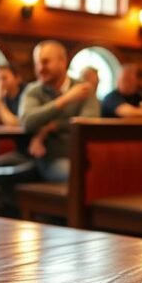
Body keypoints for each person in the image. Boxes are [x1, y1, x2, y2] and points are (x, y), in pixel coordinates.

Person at [18, 41, 98, 182]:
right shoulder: (33, 90)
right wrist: (65, 100)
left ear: (62, 61)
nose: (40, 68)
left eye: (45, 62)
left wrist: (51, 127)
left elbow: (89, 125)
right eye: (37, 63)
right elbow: (27, 122)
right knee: (77, 175)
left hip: (85, 158)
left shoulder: (84, 89)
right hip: (51, 160)